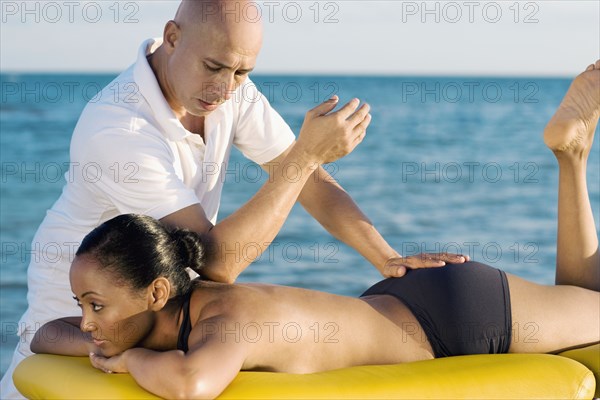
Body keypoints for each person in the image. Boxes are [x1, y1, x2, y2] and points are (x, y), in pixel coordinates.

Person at [30, 62, 600, 399]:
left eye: (97, 307)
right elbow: (45, 335)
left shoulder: (227, 321)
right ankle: (574, 154)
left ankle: (569, 153)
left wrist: (123, 361)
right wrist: (99, 335)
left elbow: (191, 385)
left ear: (156, 291)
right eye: (85, 304)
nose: (86, 321)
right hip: (396, 304)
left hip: (453, 321)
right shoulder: (158, 311)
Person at [0, 1, 466, 397]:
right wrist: (304, 156)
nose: (225, 88)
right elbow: (217, 262)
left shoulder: (230, 92)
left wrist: (385, 258)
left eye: (242, 72)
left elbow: (310, 181)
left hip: (158, 324)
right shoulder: (118, 128)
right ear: (172, 37)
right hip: (76, 328)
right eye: (215, 67)